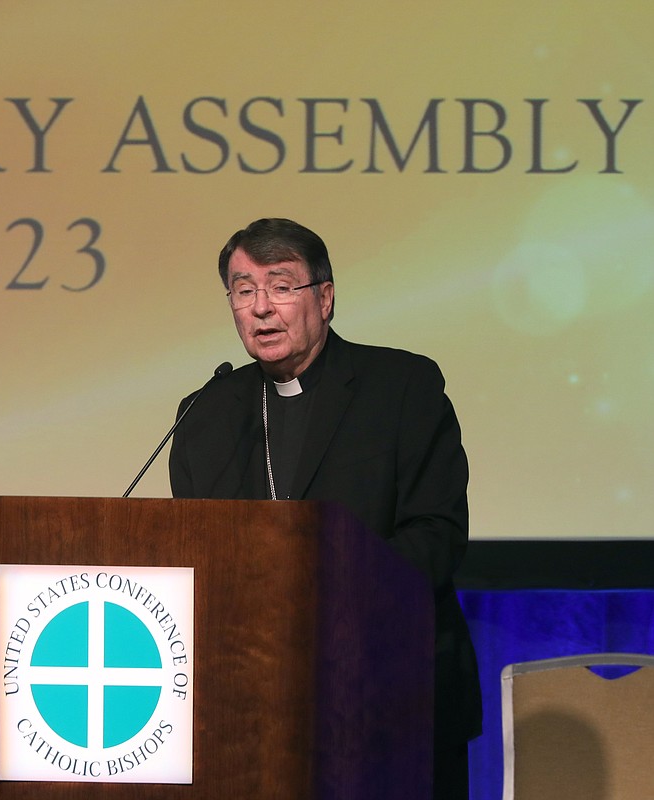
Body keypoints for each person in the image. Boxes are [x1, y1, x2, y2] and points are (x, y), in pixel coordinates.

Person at [168, 217, 482, 799]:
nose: (262, 308)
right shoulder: (204, 415)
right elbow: (194, 555)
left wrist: (327, 594)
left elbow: (436, 532)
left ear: (326, 298)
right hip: (246, 708)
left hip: (390, 693)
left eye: (282, 286)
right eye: (244, 290)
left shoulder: (401, 386)